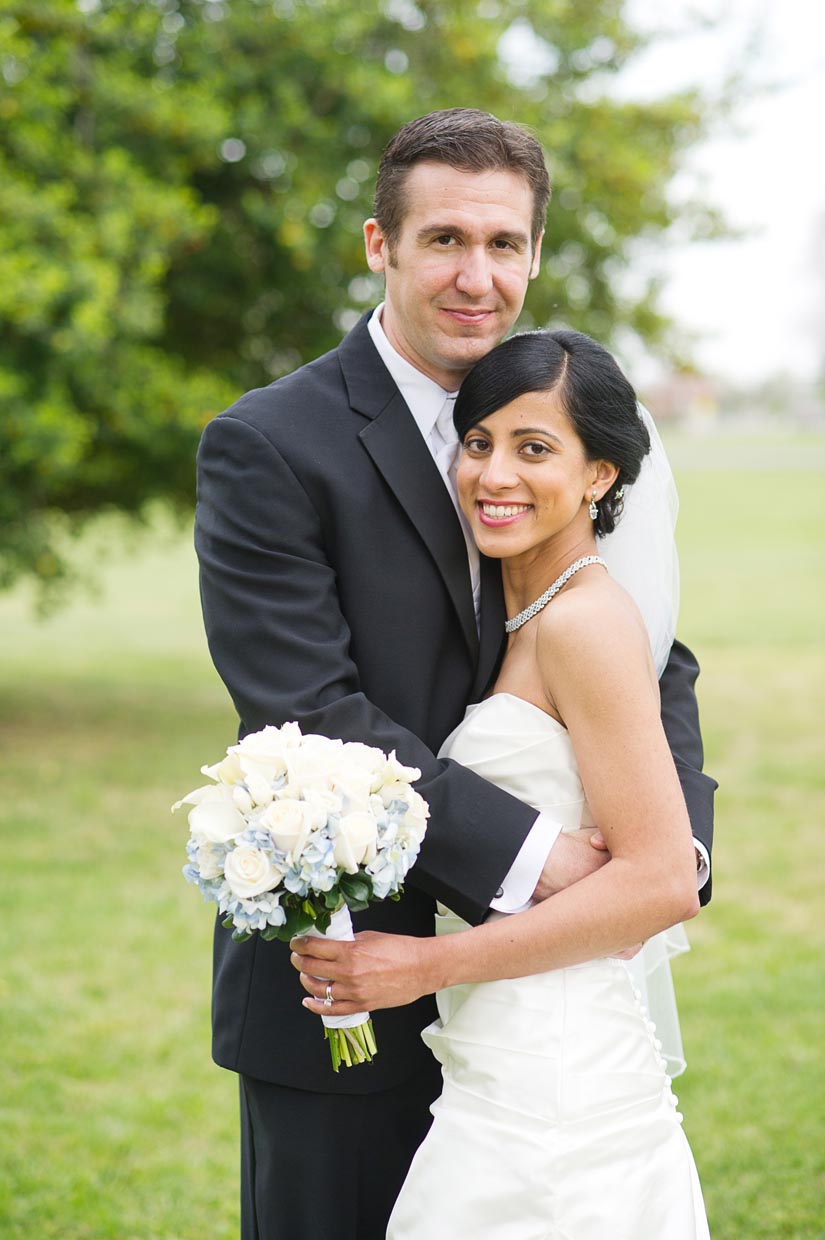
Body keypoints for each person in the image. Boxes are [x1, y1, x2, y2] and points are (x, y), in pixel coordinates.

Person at [194, 108, 715, 1240]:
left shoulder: (553, 415)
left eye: (505, 245)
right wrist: (552, 861)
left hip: (543, 1001)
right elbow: (314, 712)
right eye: (443, 241)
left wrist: (670, 849)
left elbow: (648, 649)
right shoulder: (270, 443)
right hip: (348, 984)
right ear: (381, 245)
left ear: (533, 253)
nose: (476, 276)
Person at [292, 328, 711, 1238]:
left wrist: (423, 967)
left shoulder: (583, 625)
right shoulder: (525, 611)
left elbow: (664, 879)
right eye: (478, 443)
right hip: (500, 1046)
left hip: (555, 1070)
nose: (493, 475)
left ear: (600, 476)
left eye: (534, 449)